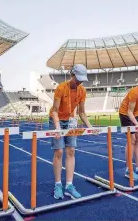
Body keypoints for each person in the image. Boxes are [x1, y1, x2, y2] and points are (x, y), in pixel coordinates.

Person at [49, 64, 92, 200]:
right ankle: (57, 185)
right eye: (77, 78)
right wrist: (57, 128)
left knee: (71, 151)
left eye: (81, 80)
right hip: (56, 119)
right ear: (72, 75)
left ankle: (69, 185)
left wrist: (90, 126)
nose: (79, 82)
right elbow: (55, 111)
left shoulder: (82, 91)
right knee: (59, 151)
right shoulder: (61, 88)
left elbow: (82, 112)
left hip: (71, 120)